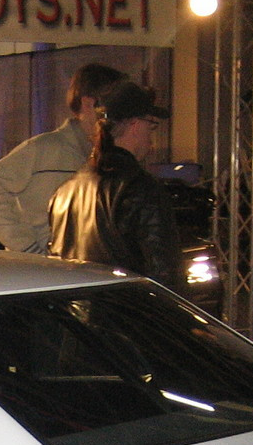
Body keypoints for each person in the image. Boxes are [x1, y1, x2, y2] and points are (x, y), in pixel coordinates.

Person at [0, 62, 126, 254]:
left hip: (77, 267)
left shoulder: (104, 153)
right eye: (113, 106)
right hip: (50, 270)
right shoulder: (44, 150)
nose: (119, 115)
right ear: (88, 103)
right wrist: (30, 249)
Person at [46, 81, 183, 292]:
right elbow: (163, 275)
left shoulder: (65, 192)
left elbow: (56, 264)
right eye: (152, 125)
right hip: (126, 317)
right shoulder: (140, 188)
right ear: (135, 124)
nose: (152, 137)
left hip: (77, 317)